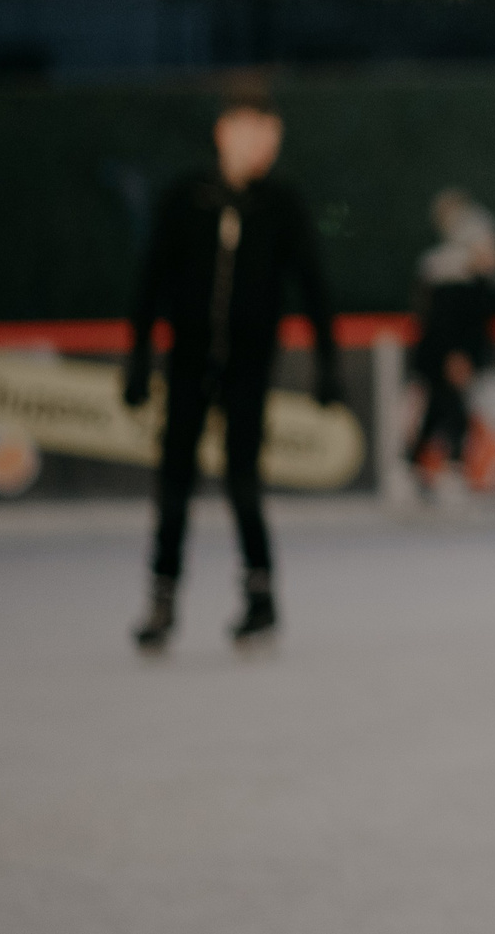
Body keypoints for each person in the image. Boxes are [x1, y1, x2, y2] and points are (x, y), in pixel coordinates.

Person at [123, 81, 338, 652]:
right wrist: (138, 360)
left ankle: (261, 596)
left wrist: (327, 364)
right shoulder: (185, 198)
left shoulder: (281, 204)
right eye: (251, 129)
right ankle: (162, 597)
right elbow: (151, 283)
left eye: (271, 132)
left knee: (243, 478)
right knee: (174, 479)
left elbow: (312, 285)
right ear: (225, 132)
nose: (262, 142)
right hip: (189, 360)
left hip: (247, 364)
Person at [407, 188, 495, 497]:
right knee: (449, 411)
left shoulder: (474, 281)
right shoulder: (452, 280)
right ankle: (446, 468)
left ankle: (420, 467)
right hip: (445, 358)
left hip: (452, 358)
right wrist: (455, 356)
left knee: (441, 411)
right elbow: (444, 323)